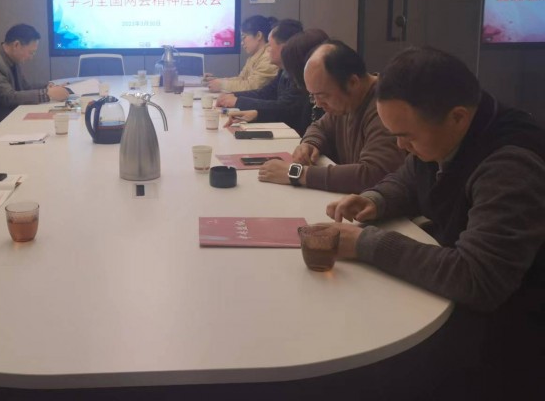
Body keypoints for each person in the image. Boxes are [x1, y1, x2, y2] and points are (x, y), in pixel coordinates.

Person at [324, 47, 545, 398]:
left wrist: (365, 243)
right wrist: (375, 199)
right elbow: (411, 178)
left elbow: (478, 279)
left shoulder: (510, 166)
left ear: (457, 117)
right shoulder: (445, 132)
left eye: (407, 136)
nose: (401, 146)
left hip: (510, 332)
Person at [257, 40, 404, 193]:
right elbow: (319, 127)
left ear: (353, 82)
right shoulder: (346, 102)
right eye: (313, 96)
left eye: (322, 96)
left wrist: (297, 173)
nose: (318, 104)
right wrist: (310, 143)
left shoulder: (385, 107)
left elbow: (373, 174)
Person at [221, 25, 326, 136]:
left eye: (270, 46)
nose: (267, 50)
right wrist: (256, 113)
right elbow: (267, 94)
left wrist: (239, 101)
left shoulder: (301, 77)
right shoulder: (286, 71)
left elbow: (288, 110)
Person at [0, 24, 69, 127]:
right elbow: (8, 97)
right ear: (16, 45)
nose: (31, 57)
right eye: (31, 52)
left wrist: (49, 86)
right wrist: (47, 94)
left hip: (6, 117)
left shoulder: (10, 58)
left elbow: (25, 87)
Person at [206, 15, 279, 93]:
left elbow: (252, 86)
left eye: (244, 37)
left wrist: (222, 85)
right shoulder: (255, 56)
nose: (242, 43)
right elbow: (241, 79)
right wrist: (216, 81)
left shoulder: (268, 56)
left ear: (258, 36)